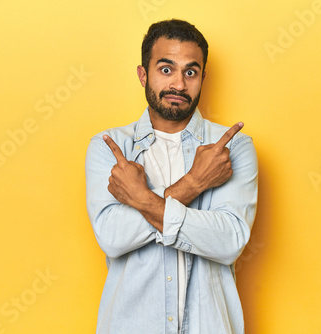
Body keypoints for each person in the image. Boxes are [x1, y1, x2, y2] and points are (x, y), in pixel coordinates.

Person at [85, 19, 258, 334]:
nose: (179, 84)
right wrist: (195, 184)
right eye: (166, 69)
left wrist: (141, 200)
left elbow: (229, 241)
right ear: (143, 74)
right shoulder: (109, 148)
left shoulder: (231, 148)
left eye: (190, 72)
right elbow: (112, 237)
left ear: (202, 77)